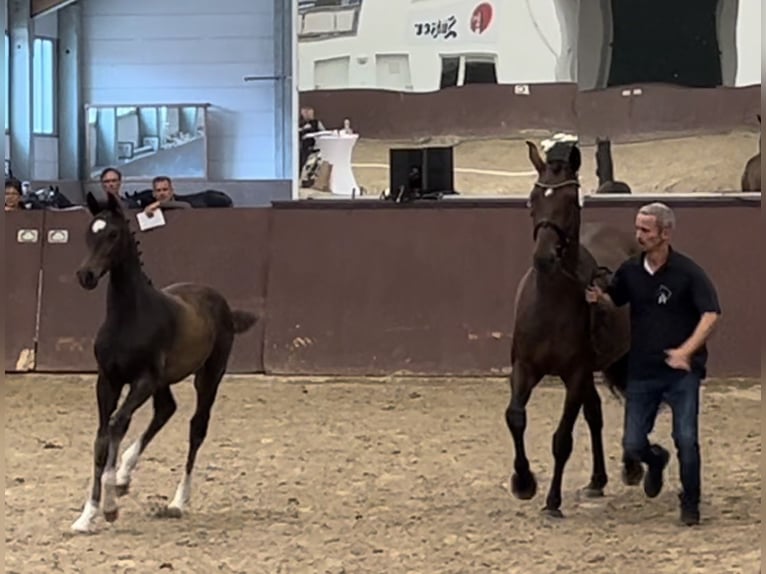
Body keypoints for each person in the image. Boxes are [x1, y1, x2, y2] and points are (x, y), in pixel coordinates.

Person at [585, 202, 721, 526]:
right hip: (642, 371)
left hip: (680, 374)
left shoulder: (688, 272)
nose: (639, 235)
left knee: (686, 439)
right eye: (638, 229)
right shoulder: (631, 271)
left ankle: (690, 504)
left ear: (665, 233)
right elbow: (614, 299)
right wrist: (598, 299)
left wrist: (686, 351)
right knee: (633, 444)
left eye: (646, 230)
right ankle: (656, 460)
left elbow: (711, 314)